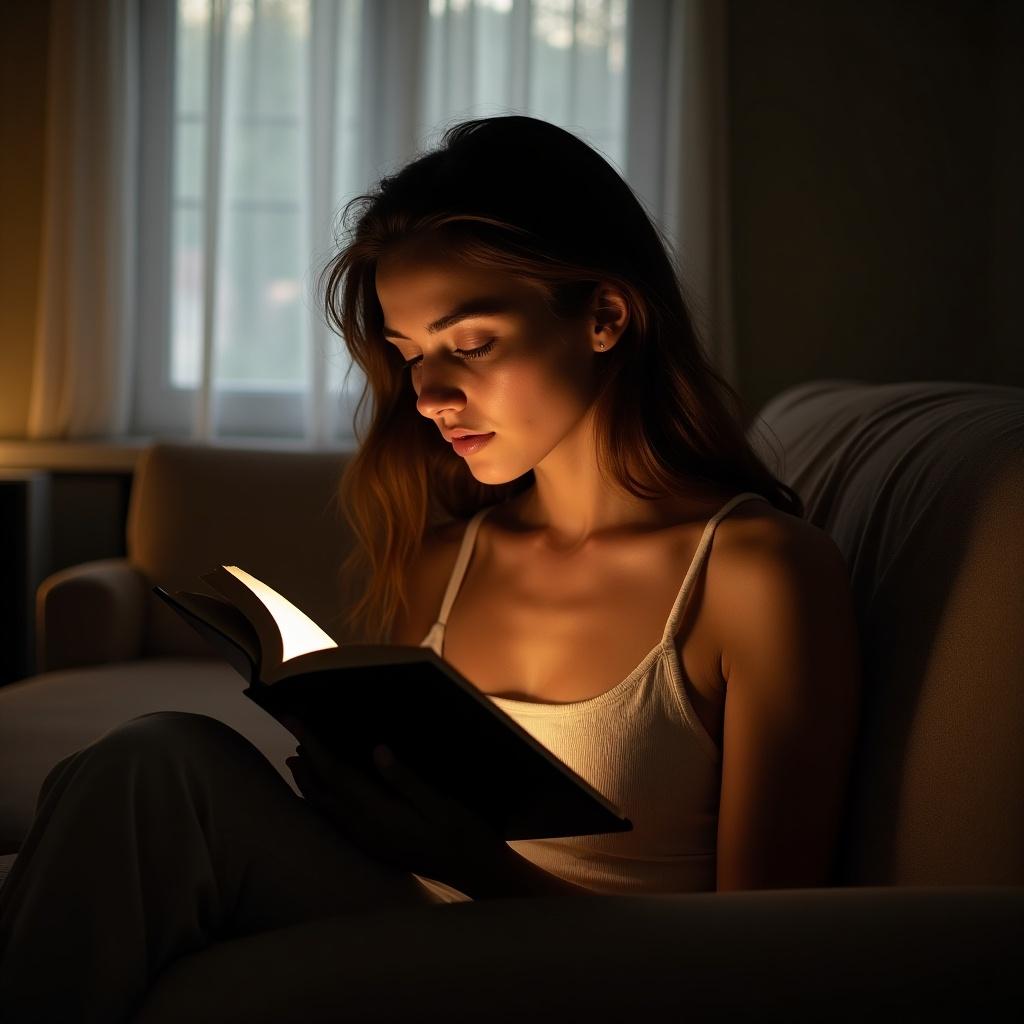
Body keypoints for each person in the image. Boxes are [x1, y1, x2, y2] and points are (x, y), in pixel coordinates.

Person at [0, 115, 862, 1022]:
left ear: (606, 316)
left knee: (145, 781)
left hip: (600, 977)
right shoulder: (444, 561)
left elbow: (772, 948)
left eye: (472, 344)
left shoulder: (756, 573)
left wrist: (477, 866)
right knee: (153, 758)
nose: (427, 394)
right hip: (403, 929)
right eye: (409, 353)